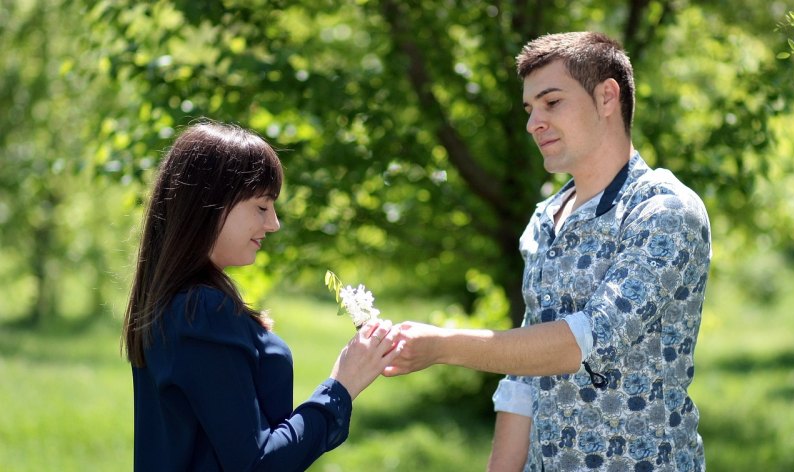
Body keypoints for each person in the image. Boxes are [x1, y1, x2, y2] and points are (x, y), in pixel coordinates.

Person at [384, 32, 711, 472]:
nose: (532, 122)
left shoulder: (665, 210)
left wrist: (443, 346)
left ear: (607, 97)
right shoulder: (546, 216)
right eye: (529, 108)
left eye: (551, 102)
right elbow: (524, 376)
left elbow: (584, 340)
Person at [121, 120, 402, 471]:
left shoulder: (177, 303)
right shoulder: (201, 310)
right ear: (209, 205)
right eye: (261, 207)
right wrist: (341, 385)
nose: (274, 224)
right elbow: (257, 464)